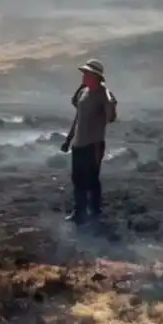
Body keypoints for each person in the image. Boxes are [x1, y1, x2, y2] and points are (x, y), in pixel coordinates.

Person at [60, 59, 118, 224]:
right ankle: (79, 212)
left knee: (92, 179)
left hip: (94, 144)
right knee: (77, 178)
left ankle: (95, 212)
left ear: (95, 76)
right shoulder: (83, 92)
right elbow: (78, 116)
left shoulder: (103, 94)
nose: (84, 76)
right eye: (84, 73)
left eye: (87, 73)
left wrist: (112, 105)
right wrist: (69, 139)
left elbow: (110, 118)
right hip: (78, 143)